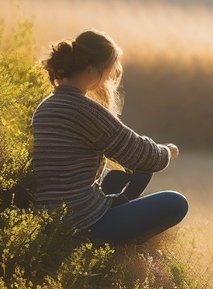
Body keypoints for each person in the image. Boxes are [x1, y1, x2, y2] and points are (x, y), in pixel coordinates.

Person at [30, 28, 188, 246]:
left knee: (116, 177)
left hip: (51, 215)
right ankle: (117, 249)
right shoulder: (85, 110)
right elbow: (144, 157)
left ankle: (116, 209)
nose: (108, 79)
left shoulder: (45, 107)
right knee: (176, 203)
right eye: (108, 71)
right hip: (83, 222)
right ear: (92, 71)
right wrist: (168, 151)